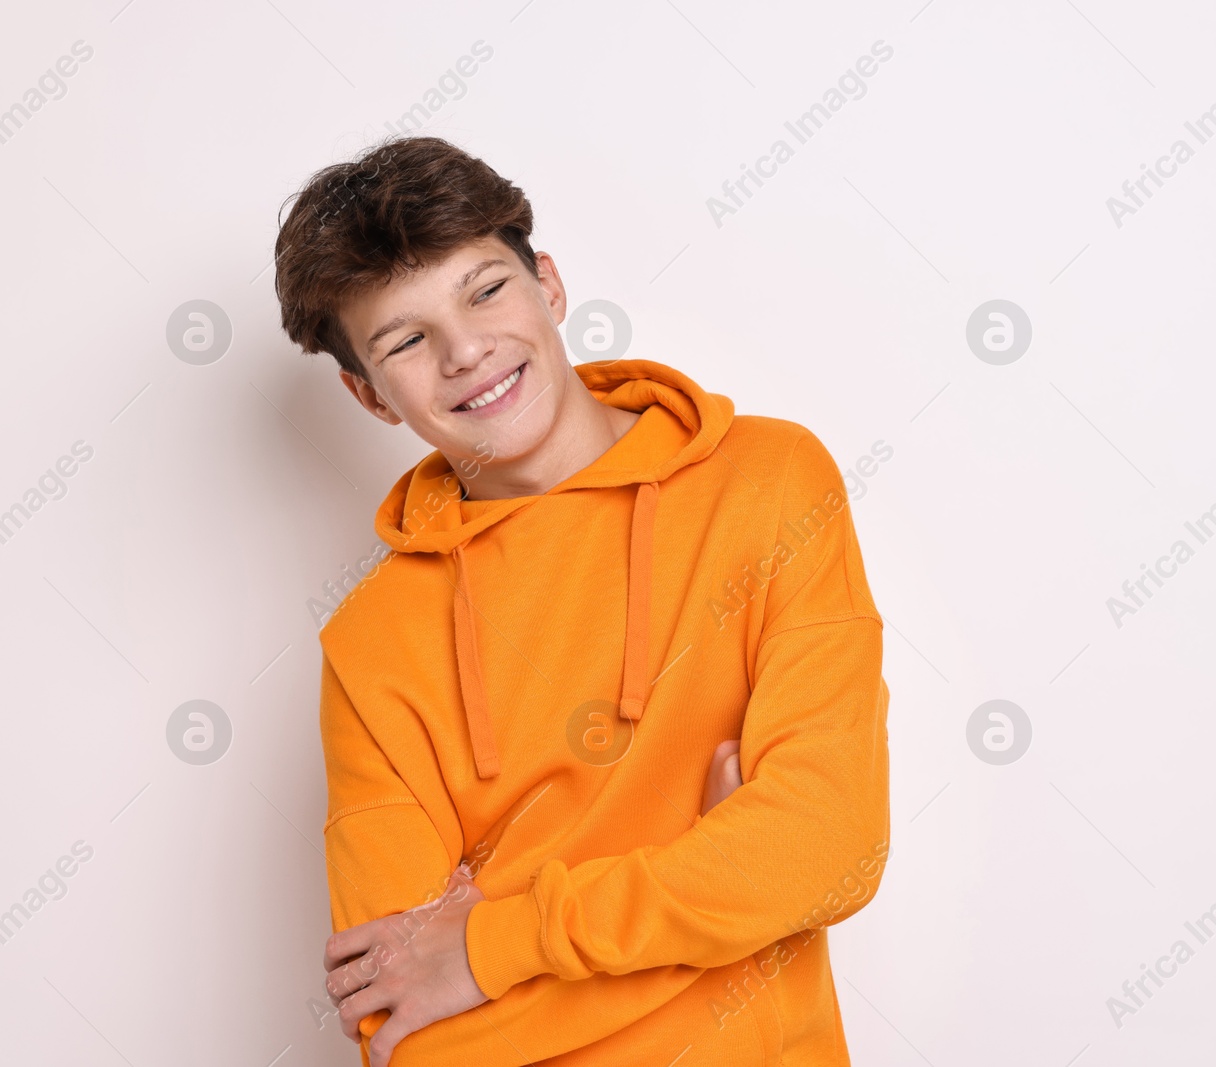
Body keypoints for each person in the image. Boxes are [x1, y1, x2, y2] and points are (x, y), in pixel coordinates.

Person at [273, 134, 892, 1067]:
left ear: (549, 286)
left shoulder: (766, 484)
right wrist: (732, 902)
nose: (468, 349)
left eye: (485, 289)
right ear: (369, 396)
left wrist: (490, 946)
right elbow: (405, 1027)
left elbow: (829, 846)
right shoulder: (371, 645)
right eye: (406, 338)